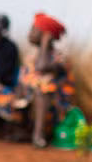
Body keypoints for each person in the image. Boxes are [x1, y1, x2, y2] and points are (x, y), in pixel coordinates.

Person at [14, 12, 75, 147]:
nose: (29, 34)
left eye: (34, 30)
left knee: (44, 87)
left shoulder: (59, 55)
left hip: (56, 102)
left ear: (46, 35)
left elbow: (42, 67)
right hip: (29, 100)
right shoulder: (32, 53)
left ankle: (38, 135)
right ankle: (22, 130)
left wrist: (45, 44)